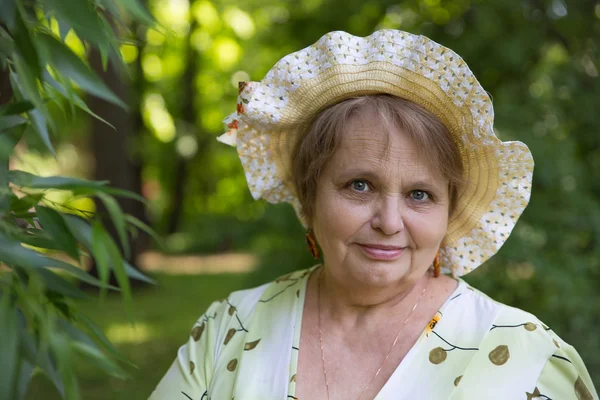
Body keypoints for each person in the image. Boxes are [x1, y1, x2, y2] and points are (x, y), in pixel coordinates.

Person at [149, 30, 598, 399]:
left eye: (420, 195)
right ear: (308, 199)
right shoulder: (230, 328)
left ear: (448, 214)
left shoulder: (525, 358)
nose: (389, 221)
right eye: (359, 185)